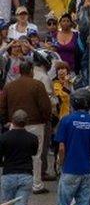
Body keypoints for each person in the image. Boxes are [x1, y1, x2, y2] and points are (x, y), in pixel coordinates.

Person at [0, 59, 52, 193]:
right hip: (35, 123)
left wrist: (6, 120)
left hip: (14, 123)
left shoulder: (10, 86)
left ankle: (12, 181)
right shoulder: (37, 85)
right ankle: (36, 184)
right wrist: (46, 120)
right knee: (36, 155)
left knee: (12, 153)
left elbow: (3, 105)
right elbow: (45, 106)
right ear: (31, 71)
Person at [0, 110, 38, 205]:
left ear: (12, 121)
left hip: (8, 174)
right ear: (26, 122)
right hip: (26, 174)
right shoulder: (33, 138)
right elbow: (34, 152)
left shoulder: (4, 137)